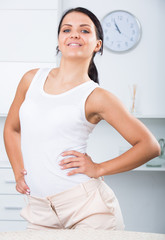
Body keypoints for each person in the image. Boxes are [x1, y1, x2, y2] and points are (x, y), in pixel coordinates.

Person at [3, 7, 160, 231]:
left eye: (85, 31)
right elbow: (12, 128)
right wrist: (19, 171)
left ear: (98, 45)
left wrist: (98, 169)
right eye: (67, 29)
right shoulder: (31, 80)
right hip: (39, 210)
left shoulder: (97, 97)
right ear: (59, 41)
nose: (74, 34)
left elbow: (150, 146)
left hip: (88, 209)